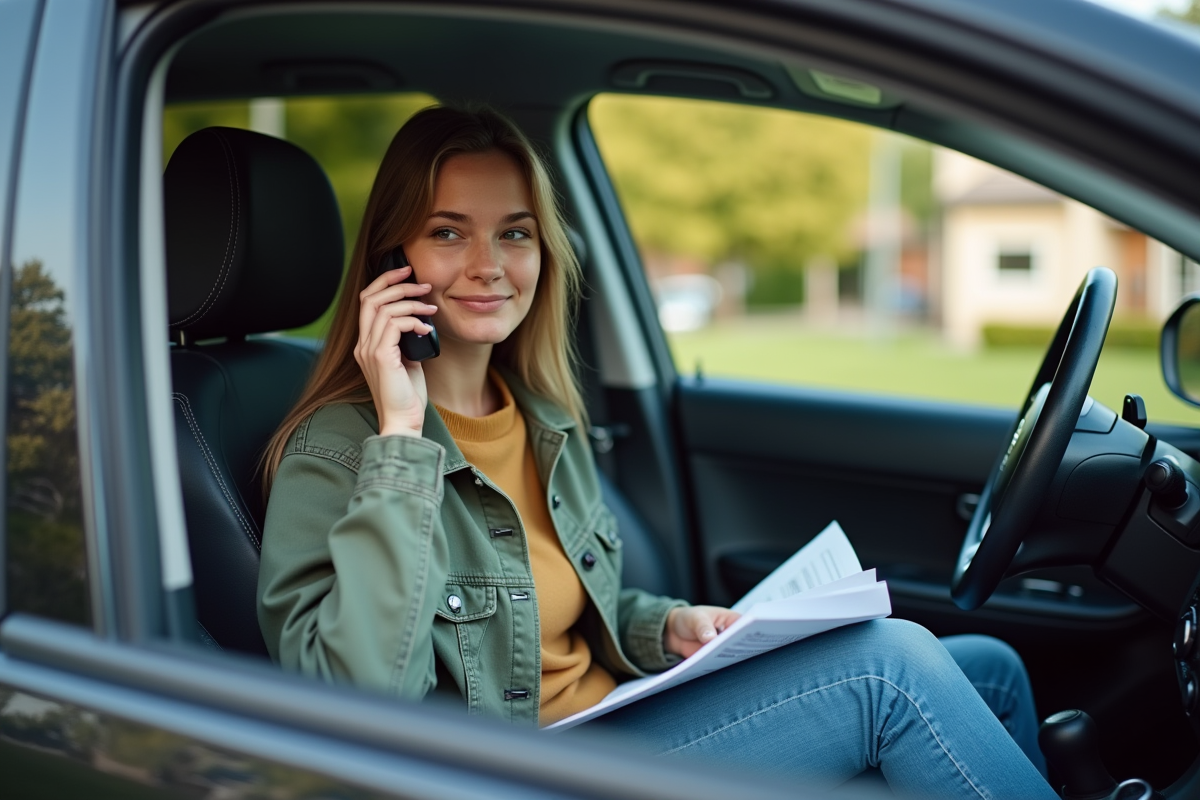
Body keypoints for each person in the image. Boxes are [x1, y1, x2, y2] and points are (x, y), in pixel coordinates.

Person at [257, 105, 1055, 799]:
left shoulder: (540, 420)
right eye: (447, 232)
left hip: (620, 721)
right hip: (521, 774)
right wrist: (401, 434)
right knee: (892, 667)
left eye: (515, 233)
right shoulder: (336, 454)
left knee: (990, 668)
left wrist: (664, 625)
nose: (489, 266)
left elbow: (548, 613)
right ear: (393, 264)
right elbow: (362, 703)